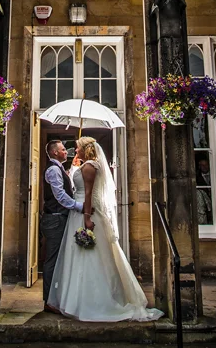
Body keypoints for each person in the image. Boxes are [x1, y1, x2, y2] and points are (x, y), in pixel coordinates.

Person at [47, 136, 163, 322]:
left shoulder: (90, 167)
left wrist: (86, 217)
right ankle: (76, 298)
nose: (74, 151)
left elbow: (88, 194)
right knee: (77, 255)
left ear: (87, 149)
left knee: (88, 255)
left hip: (85, 213)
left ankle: (91, 301)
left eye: (77, 148)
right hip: (79, 212)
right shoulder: (87, 165)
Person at [41, 139, 81, 312]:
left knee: (59, 259)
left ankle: (57, 298)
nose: (67, 151)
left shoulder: (58, 169)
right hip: (55, 219)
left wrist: (72, 170)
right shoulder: (52, 169)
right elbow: (60, 195)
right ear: (55, 152)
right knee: (52, 260)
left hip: (59, 218)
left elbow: (66, 185)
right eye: (63, 149)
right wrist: (79, 206)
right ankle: (49, 301)